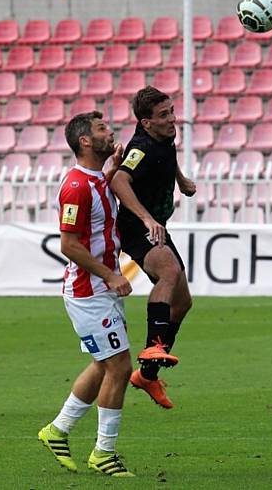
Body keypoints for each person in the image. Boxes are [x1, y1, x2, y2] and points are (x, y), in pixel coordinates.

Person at [37, 111, 135, 477]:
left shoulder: (96, 179)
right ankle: (103, 453)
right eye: (102, 129)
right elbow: (69, 244)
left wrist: (113, 166)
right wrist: (110, 274)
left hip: (100, 290)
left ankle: (58, 430)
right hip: (88, 290)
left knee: (104, 365)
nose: (110, 131)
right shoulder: (76, 186)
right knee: (120, 366)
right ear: (85, 142)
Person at [110, 86, 196, 409]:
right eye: (164, 115)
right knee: (169, 272)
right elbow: (119, 180)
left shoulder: (163, 136)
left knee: (183, 302)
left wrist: (181, 179)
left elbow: (168, 155)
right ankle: (153, 347)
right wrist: (146, 218)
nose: (172, 119)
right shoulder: (141, 147)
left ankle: (147, 374)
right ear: (146, 123)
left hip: (157, 224)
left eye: (171, 111)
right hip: (137, 227)